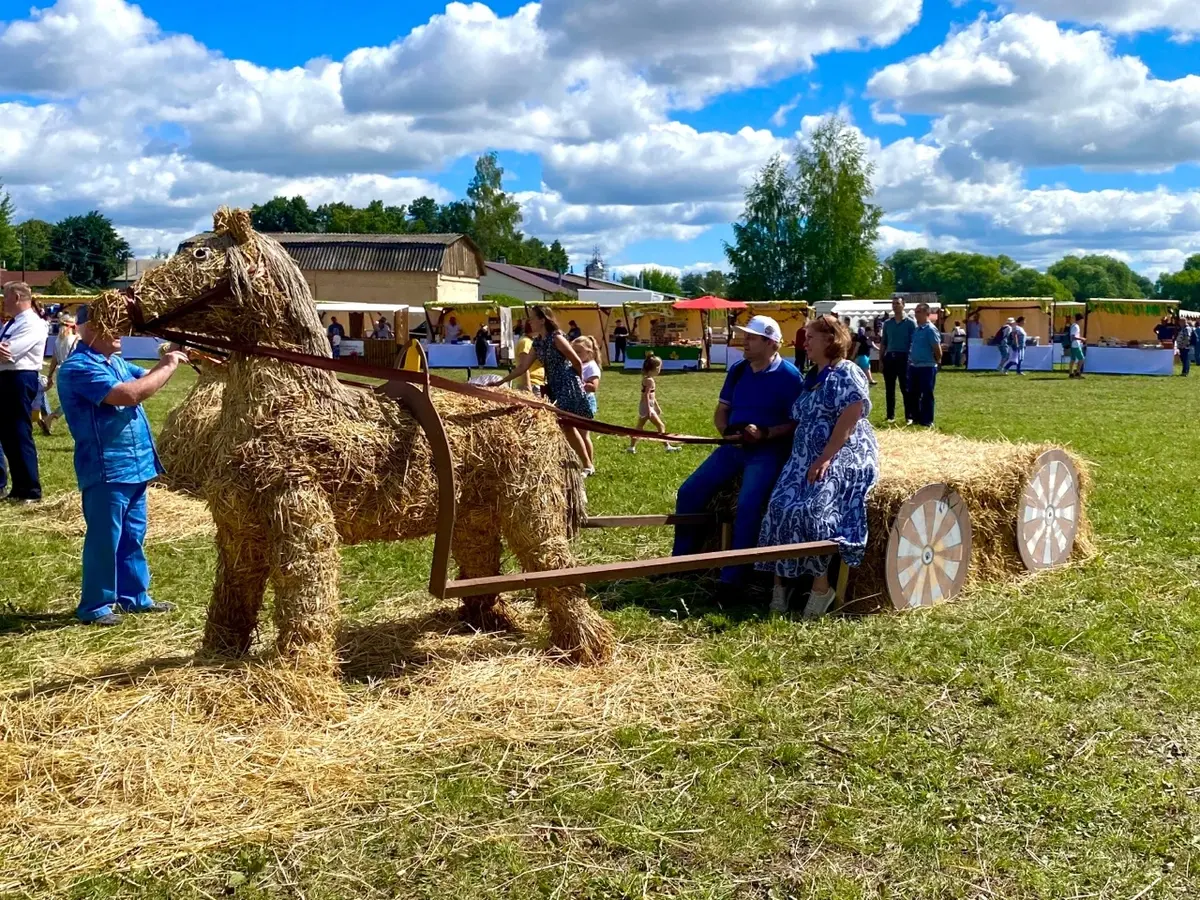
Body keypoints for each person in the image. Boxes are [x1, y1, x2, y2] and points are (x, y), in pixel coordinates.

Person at [55, 304, 190, 625]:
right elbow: (129, 394)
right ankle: (96, 606)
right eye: (110, 327)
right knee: (105, 538)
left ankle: (135, 598)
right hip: (107, 468)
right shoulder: (78, 368)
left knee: (132, 535)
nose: (119, 333)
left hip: (135, 466)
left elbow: (146, 378)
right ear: (87, 329)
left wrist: (172, 354)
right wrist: (170, 364)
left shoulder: (112, 361)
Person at [757, 315, 879, 617]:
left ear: (830, 339)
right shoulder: (812, 376)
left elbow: (850, 418)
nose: (804, 343)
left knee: (814, 510)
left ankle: (821, 589)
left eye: (810, 337)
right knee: (779, 507)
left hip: (842, 453)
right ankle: (780, 587)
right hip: (803, 457)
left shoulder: (846, 372)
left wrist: (825, 457)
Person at [673, 315, 803, 591]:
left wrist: (765, 433)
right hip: (733, 448)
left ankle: (733, 578)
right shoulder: (738, 370)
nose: (745, 342)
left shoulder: (791, 377)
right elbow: (721, 412)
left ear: (770, 343)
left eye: (752, 338)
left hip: (766, 451)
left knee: (747, 506)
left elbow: (797, 423)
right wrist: (726, 434)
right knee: (689, 492)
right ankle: (680, 562)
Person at [495, 305, 592, 468]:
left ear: (542, 320)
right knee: (564, 427)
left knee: (567, 425)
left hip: (567, 383)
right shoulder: (538, 343)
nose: (529, 321)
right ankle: (576, 463)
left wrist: (578, 382)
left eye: (532, 318)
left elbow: (576, 361)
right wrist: (500, 382)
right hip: (553, 386)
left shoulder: (556, 338)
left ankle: (587, 465)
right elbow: (522, 367)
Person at [0, 282, 49, 502]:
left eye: (6, 297)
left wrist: (3, 348)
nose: (3, 301)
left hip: (20, 377)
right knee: (8, 435)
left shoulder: (34, 324)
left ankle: (30, 488)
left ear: (17, 297)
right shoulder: (13, 323)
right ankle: (18, 488)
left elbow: (10, 353)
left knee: (19, 432)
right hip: (6, 377)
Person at [626, 355, 680, 454]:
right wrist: (649, 410)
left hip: (645, 407)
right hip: (647, 408)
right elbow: (646, 395)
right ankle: (667, 446)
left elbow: (652, 396)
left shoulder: (647, 379)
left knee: (639, 428)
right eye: (659, 368)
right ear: (654, 369)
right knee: (661, 426)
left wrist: (656, 406)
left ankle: (631, 447)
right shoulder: (650, 381)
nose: (660, 370)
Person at [880, 298, 915, 424]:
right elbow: (884, 342)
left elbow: (914, 341)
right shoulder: (888, 324)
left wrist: (911, 357)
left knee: (905, 388)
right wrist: (881, 359)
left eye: (897, 304)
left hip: (904, 357)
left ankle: (909, 416)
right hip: (890, 357)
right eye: (893, 304)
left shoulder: (910, 323)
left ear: (903, 305)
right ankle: (890, 416)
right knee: (890, 388)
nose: (895, 306)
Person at [908, 303, 942, 427]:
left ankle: (927, 420)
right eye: (916, 312)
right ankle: (916, 418)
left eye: (918, 312)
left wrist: (937, 361)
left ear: (925, 314)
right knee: (913, 393)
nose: (916, 314)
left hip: (927, 366)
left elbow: (937, 348)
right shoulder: (917, 329)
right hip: (914, 366)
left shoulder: (930, 329)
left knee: (927, 393)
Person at [44, 312, 79, 431]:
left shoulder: (58, 341)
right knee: (76, 399)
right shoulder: (75, 340)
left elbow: (54, 359)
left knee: (69, 399)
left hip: (61, 372)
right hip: (73, 372)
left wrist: (50, 375)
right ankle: (53, 416)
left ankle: (53, 416)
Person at [573, 336, 603, 475]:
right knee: (574, 434)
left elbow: (593, 387)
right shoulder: (575, 363)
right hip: (575, 401)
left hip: (585, 403)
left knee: (584, 435)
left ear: (589, 352)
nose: (576, 354)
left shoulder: (591, 366)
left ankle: (589, 465)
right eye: (574, 351)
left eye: (579, 352)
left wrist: (578, 384)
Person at [513, 321, 546, 394]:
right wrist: (528, 388)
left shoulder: (531, 341)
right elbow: (524, 367)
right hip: (532, 384)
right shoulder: (525, 342)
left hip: (538, 383)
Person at [1067, 313, 1086, 379]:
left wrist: (1080, 338)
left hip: (1073, 345)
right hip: (1076, 345)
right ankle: (1077, 372)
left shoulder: (1073, 325)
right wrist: (1081, 338)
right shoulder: (1076, 326)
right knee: (1082, 359)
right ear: (1080, 319)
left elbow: (1073, 336)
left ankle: (1071, 373)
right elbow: (1073, 337)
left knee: (1073, 359)